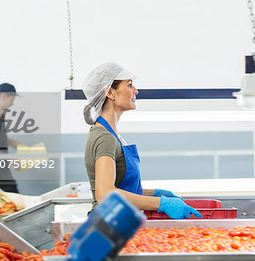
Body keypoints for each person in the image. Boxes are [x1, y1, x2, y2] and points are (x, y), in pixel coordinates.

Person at [83, 62, 202, 220]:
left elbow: (120, 188)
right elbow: (105, 193)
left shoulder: (113, 136)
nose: (136, 91)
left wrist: (155, 194)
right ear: (110, 93)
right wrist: (161, 204)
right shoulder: (105, 137)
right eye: (130, 85)